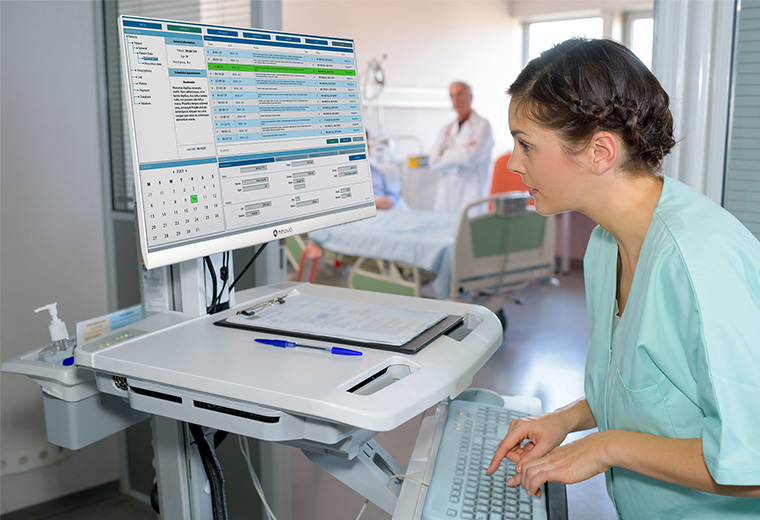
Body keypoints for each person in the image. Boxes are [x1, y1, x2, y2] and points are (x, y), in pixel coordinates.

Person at [486, 38, 760, 518]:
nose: (513, 163)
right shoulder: (605, 245)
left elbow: (752, 463)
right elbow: (649, 390)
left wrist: (602, 448)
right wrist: (566, 419)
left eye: (526, 143)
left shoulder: (698, 264)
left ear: (599, 152)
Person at [429, 81, 494, 214]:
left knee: (470, 232)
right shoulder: (446, 129)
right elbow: (433, 163)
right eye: (452, 96)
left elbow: (471, 157)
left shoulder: (483, 125)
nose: (456, 100)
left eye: (460, 94)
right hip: (446, 197)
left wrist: (445, 154)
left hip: (471, 196)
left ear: (470, 97)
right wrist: (463, 150)